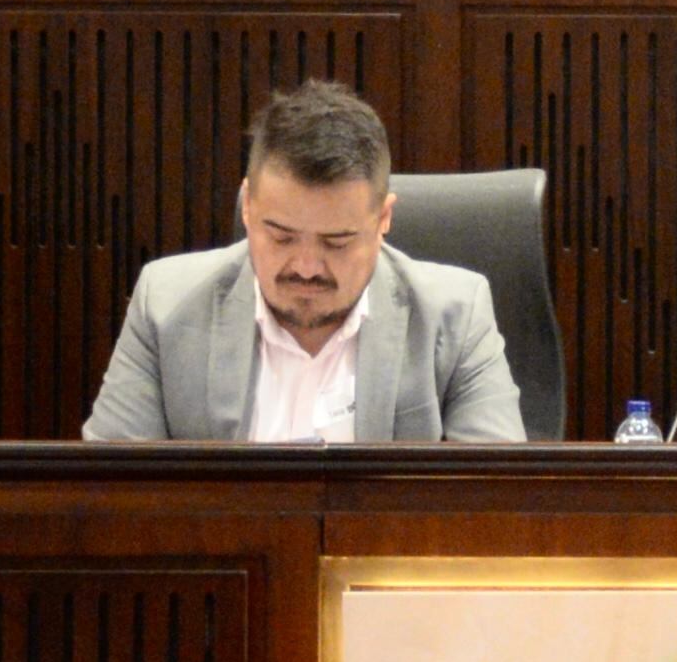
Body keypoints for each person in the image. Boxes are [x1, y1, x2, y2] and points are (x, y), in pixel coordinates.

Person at [84, 81, 524, 442]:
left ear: (384, 218)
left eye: (337, 241)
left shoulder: (457, 315)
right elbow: (115, 501)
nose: (308, 266)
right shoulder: (164, 306)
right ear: (248, 209)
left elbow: (494, 510)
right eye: (282, 236)